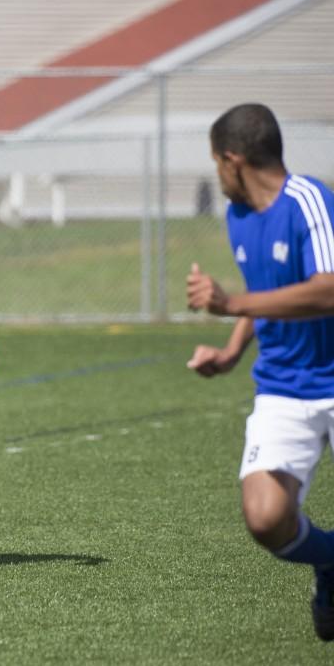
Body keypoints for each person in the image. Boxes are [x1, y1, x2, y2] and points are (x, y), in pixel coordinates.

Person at [186, 102, 334, 641]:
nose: (217, 175)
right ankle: (331, 561)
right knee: (266, 519)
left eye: (216, 163)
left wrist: (229, 304)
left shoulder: (309, 201)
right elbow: (267, 300)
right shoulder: (239, 215)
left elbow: (329, 289)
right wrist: (230, 351)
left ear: (233, 159)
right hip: (283, 388)